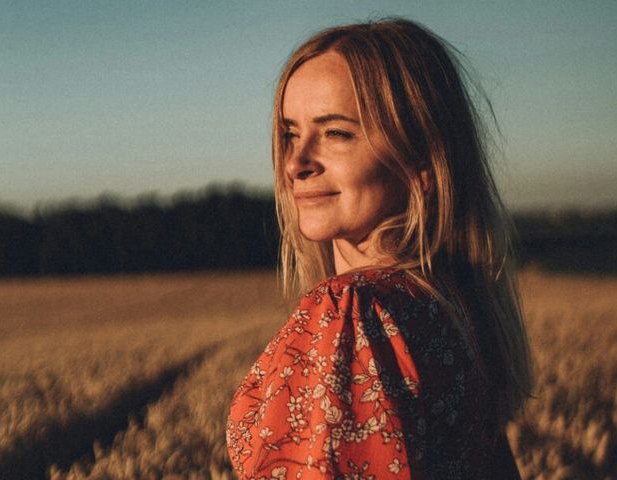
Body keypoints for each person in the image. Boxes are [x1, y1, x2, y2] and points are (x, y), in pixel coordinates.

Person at [227, 18, 532, 479]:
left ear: (421, 162)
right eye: (291, 133)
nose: (295, 162)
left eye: (336, 134)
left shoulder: (352, 312)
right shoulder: (452, 302)